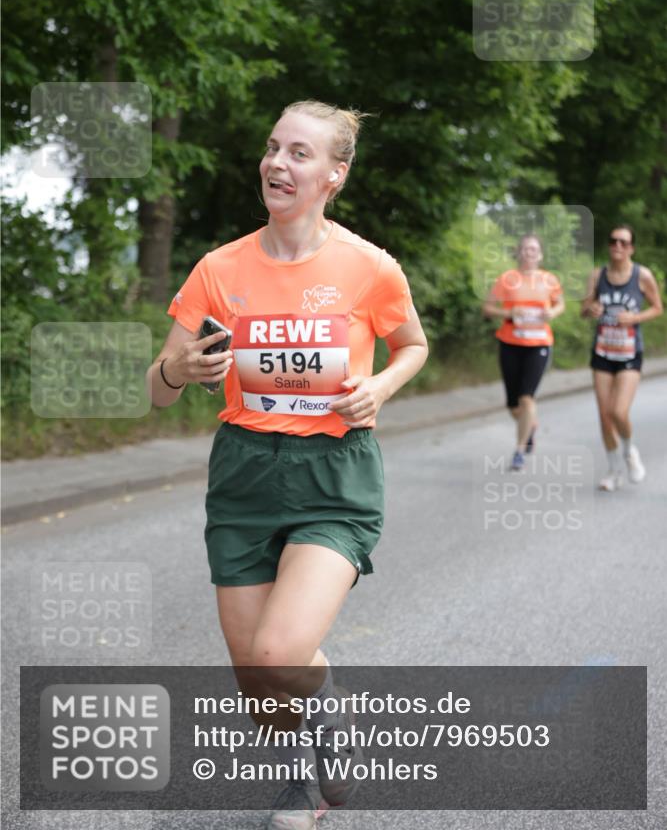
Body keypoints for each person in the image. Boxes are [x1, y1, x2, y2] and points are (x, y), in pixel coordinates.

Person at [145, 100, 428, 828]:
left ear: (333, 175)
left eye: (299, 153)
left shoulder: (368, 268)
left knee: (278, 650)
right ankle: (303, 767)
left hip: (333, 474)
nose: (277, 163)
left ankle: (306, 782)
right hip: (242, 472)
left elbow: (412, 347)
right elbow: (156, 387)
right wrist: (178, 370)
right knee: (257, 680)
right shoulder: (219, 268)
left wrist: (379, 387)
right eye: (273, 148)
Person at [581, 224, 663, 492]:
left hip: (629, 352)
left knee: (618, 411)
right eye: (613, 240)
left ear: (631, 248)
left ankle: (630, 452)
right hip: (602, 351)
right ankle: (614, 470)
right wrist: (590, 309)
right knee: (604, 416)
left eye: (623, 242)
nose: (617, 246)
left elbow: (657, 308)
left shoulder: (642, 275)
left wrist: (635, 317)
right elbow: (584, 308)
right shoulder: (597, 275)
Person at [482, 234, 565, 471]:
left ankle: (519, 450)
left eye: (534, 249)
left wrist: (553, 313)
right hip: (510, 343)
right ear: (519, 253)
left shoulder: (549, 280)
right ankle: (530, 426)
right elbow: (487, 308)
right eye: (525, 249)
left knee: (527, 398)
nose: (529, 253)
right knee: (513, 405)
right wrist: (508, 313)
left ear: (540, 254)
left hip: (538, 345)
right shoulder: (507, 280)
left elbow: (560, 304)